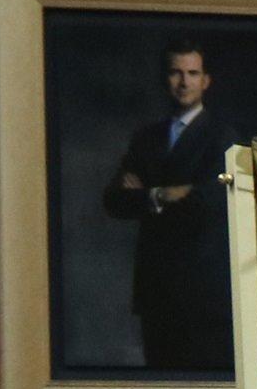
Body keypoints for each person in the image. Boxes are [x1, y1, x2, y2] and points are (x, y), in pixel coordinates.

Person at [99, 37, 233, 370]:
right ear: (165, 78)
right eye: (176, 73)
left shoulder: (222, 136)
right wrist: (163, 194)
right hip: (155, 288)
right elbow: (115, 200)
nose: (184, 82)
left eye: (192, 73)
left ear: (205, 81)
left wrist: (146, 194)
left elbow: (206, 203)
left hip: (201, 290)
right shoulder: (147, 137)